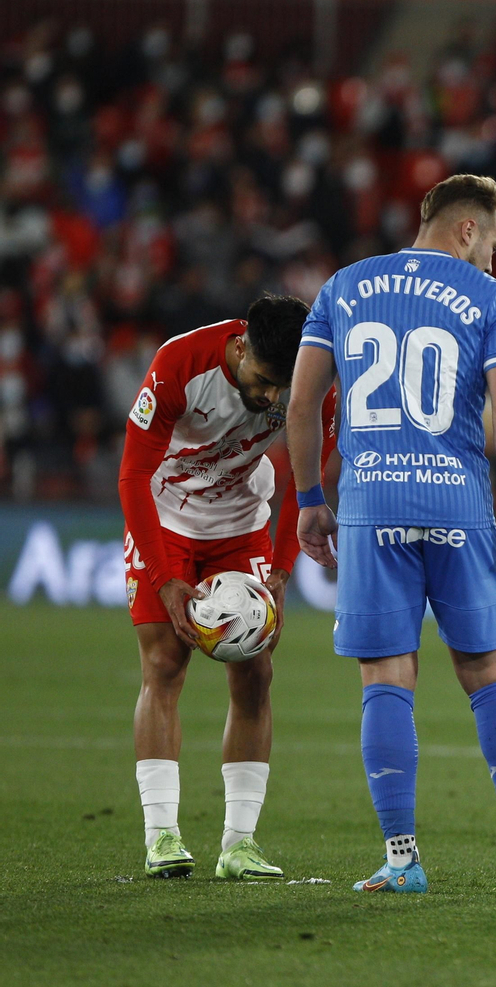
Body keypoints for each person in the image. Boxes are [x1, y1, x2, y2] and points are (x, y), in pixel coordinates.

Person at [285, 174, 496, 895]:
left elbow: (300, 403)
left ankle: (403, 860)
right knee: (490, 672)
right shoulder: (491, 300)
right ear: (467, 229)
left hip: (370, 503)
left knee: (386, 679)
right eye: (494, 243)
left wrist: (310, 497)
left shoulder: (343, 286)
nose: (495, 261)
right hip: (459, 504)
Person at [120, 294, 337, 880]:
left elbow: (307, 480)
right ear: (241, 346)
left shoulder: (316, 382)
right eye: (264, 381)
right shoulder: (178, 364)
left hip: (241, 523)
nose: (271, 398)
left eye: (281, 387)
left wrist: (284, 573)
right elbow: (133, 474)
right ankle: (161, 835)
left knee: (257, 671)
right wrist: (166, 580)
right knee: (165, 662)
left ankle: (239, 845)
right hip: (164, 519)